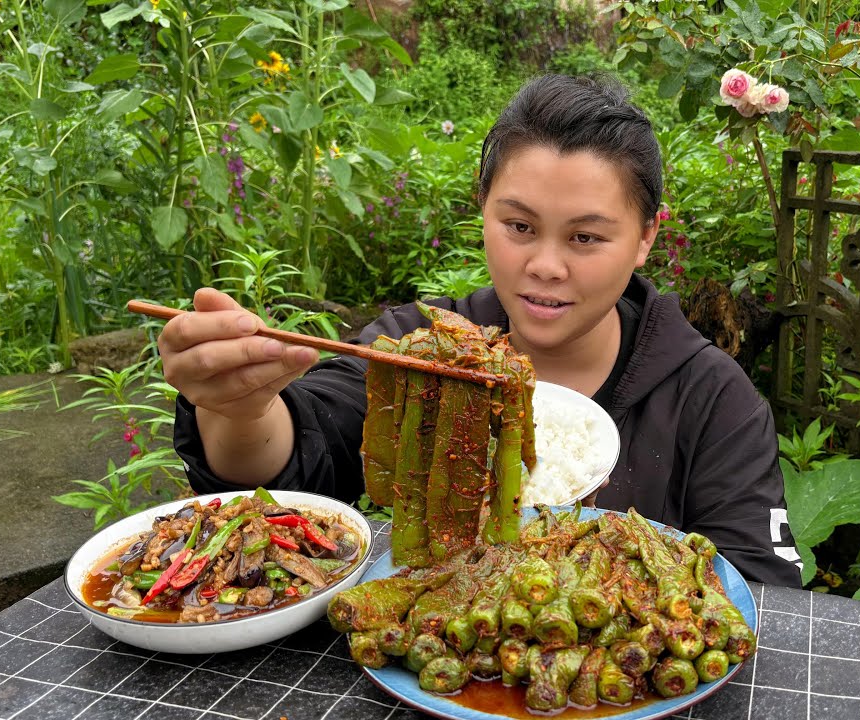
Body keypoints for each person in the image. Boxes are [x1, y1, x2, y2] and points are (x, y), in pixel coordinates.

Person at [160, 74, 802, 586]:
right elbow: (304, 456)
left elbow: (759, 588)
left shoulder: (712, 398)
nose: (545, 267)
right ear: (483, 206)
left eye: (586, 237)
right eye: (518, 226)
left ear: (646, 236)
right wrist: (242, 409)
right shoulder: (422, 347)